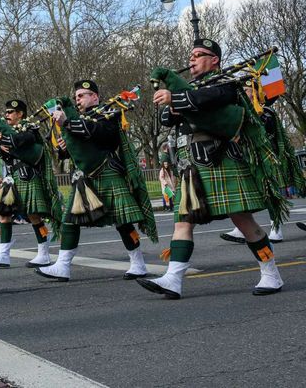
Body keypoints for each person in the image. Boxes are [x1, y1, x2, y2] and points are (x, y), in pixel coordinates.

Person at [138, 38, 287, 299]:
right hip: (189, 166)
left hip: (219, 160)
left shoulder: (226, 83)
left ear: (214, 59)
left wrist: (177, 98)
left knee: (243, 221)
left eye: (198, 55)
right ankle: (173, 279)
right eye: (191, 55)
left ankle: (271, 273)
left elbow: (207, 98)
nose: (191, 59)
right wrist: (177, 101)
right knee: (183, 222)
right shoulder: (191, 89)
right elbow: (166, 117)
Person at [37, 80, 157, 282]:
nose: (77, 99)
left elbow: (105, 135)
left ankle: (138, 264)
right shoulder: (76, 118)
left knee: (122, 221)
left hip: (108, 171)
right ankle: (62, 266)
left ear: (94, 96)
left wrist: (68, 124)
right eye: (76, 96)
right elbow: (75, 151)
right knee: (70, 220)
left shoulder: (108, 112)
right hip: (83, 176)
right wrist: (64, 148)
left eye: (81, 95)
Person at [220, 86, 306, 244]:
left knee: (271, 194)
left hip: (267, 160)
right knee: (248, 194)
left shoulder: (266, 112)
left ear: (255, 93)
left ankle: (276, 229)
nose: (243, 93)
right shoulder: (241, 112)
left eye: (247, 90)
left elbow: (264, 135)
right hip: (248, 160)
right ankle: (241, 229)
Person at [0, 99, 63, 269]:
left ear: (20, 114)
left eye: (10, 112)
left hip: (27, 176)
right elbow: (2, 154)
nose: (6, 115)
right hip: (11, 178)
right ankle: (3, 255)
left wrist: (5, 139)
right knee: (4, 214)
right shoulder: (4, 132)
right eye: (6, 112)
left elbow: (24, 140)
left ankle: (44, 253)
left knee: (33, 215)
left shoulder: (30, 128)